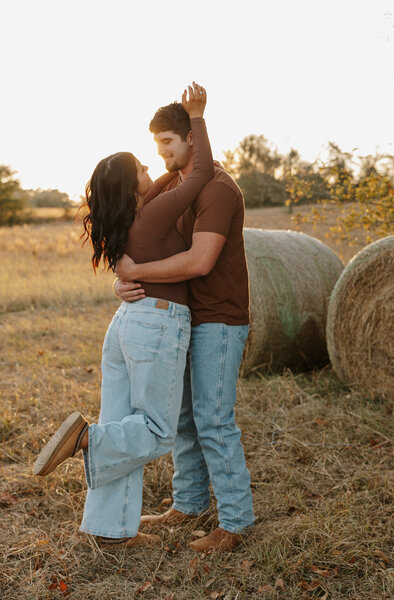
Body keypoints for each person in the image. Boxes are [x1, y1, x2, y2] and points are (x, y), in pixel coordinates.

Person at [33, 83, 213, 548]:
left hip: (126, 325)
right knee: (154, 432)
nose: (151, 168)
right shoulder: (150, 217)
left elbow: (175, 178)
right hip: (156, 323)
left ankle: (109, 532)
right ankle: (87, 440)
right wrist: (196, 117)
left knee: (122, 425)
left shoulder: (125, 220)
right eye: (142, 167)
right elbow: (198, 176)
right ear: (130, 184)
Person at [114, 100, 255, 552]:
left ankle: (235, 524)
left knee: (214, 420)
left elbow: (200, 260)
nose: (159, 154)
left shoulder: (217, 189)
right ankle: (189, 504)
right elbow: (127, 222)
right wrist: (121, 278)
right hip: (184, 319)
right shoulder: (172, 183)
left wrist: (137, 273)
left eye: (166, 143)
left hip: (219, 319)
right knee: (184, 419)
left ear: (191, 138)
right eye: (155, 145)